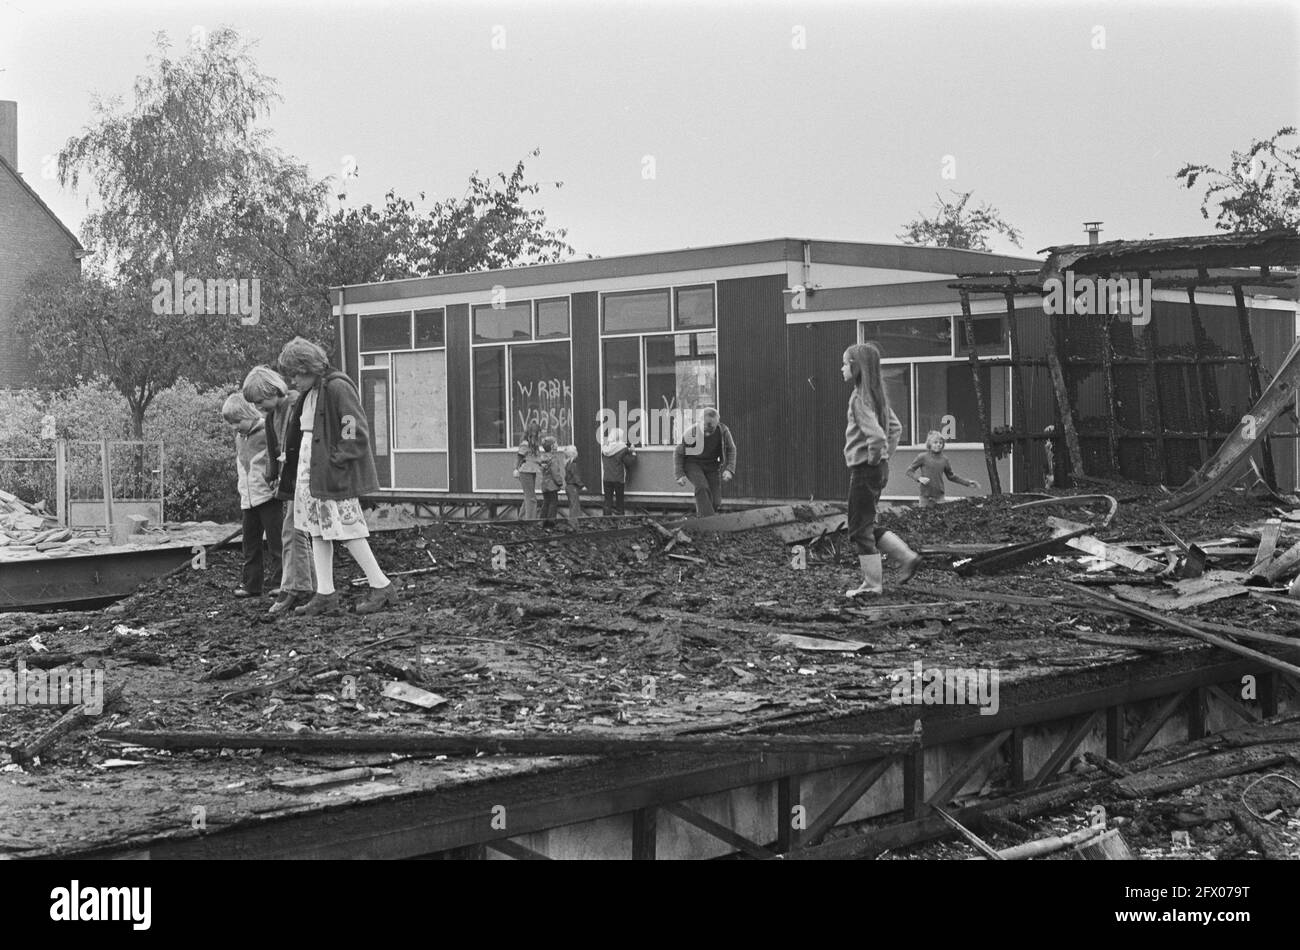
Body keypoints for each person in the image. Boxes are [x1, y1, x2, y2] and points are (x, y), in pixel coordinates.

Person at [276, 337, 396, 616]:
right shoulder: (312, 391)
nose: (293, 380)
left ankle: (382, 585)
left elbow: (353, 429)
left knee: (347, 527)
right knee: (318, 530)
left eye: (296, 373)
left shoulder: (337, 386)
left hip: (330, 473)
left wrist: (336, 461)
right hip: (311, 473)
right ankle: (325, 594)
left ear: (308, 367)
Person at [841, 342, 923, 597]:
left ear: (856, 367)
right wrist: (885, 458)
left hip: (866, 469)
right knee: (864, 523)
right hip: (877, 470)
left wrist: (876, 458)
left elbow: (876, 437)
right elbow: (895, 429)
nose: (841, 368)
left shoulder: (859, 398)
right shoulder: (876, 395)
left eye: (845, 363)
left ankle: (873, 584)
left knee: (858, 529)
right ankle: (906, 557)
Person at [243, 365, 315, 616]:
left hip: (303, 478)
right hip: (289, 482)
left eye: (260, 400)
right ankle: (306, 585)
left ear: (273, 390)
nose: (258, 407)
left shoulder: (294, 404)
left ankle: (293, 587)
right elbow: (275, 452)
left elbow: (295, 445)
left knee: (292, 533)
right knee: (297, 533)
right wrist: (272, 475)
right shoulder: (273, 415)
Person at [221, 393, 283, 599]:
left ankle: (281, 582)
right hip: (248, 499)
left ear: (249, 413)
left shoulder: (267, 430)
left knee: (277, 542)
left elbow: (276, 458)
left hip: (268, 497)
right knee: (250, 544)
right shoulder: (240, 437)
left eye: (237, 421)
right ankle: (251, 584)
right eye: (231, 423)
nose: (235, 427)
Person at [674, 408, 736, 517]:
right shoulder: (691, 432)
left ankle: (702, 520)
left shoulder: (723, 431)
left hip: (712, 465)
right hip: (693, 464)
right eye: (705, 429)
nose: (707, 434)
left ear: (717, 424)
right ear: (699, 422)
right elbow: (678, 453)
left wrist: (729, 469)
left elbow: (731, 449)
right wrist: (679, 474)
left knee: (716, 501)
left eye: (710, 431)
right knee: (702, 487)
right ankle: (708, 526)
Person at [906, 430, 982, 508]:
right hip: (925, 496)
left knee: (941, 517)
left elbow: (951, 476)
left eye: (940, 443)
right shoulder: (922, 457)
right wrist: (919, 478)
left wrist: (967, 483)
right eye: (935, 442)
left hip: (939, 496)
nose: (938, 445)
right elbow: (909, 471)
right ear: (929, 444)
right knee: (923, 518)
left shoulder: (944, 459)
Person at [600, 427, 636, 515]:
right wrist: (633, 452)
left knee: (608, 501)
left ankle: (606, 520)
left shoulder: (605, 449)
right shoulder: (622, 449)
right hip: (618, 479)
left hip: (607, 478)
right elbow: (629, 462)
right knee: (619, 501)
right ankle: (620, 520)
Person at [513, 420, 543, 520]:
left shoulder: (534, 445)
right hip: (525, 472)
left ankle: (521, 519)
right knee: (532, 498)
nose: (540, 434)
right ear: (534, 432)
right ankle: (531, 520)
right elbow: (519, 457)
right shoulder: (525, 444)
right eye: (538, 432)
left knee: (528, 496)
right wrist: (516, 469)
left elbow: (535, 459)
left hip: (532, 471)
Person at [538, 435, 565, 527]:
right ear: (552, 447)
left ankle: (542, 521)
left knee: (546, 502)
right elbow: (555, 472)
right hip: (552, 485)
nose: (557, 445)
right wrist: (560, 482)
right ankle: (550, 522)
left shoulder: (543, 458)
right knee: (553, 503)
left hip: (544, 485)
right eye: (556, 443)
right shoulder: (553, 459)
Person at [562, 444, 585, 522]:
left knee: (572, 504)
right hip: (572, 487)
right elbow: (576, 476)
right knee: (575, 505)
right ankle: (573, 521)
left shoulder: (567, 464)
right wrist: (582, 486)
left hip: (568, 486)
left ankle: (576, 520)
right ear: (573, 454)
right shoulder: (573, 465)